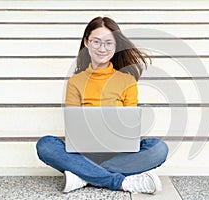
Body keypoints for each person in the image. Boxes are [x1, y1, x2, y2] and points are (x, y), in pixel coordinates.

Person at [36, 16, 168, 195]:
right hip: (84, 152)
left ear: (116, 46)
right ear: (86, 42)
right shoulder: (76, 81)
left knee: (158, 149)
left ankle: (83, 175)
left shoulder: (127, 80)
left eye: (108, 43)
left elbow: (130, 125)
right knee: (45, 145)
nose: (102, 48)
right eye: (96, 42)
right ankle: (121, 182)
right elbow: (74, 125)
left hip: (118, 153)